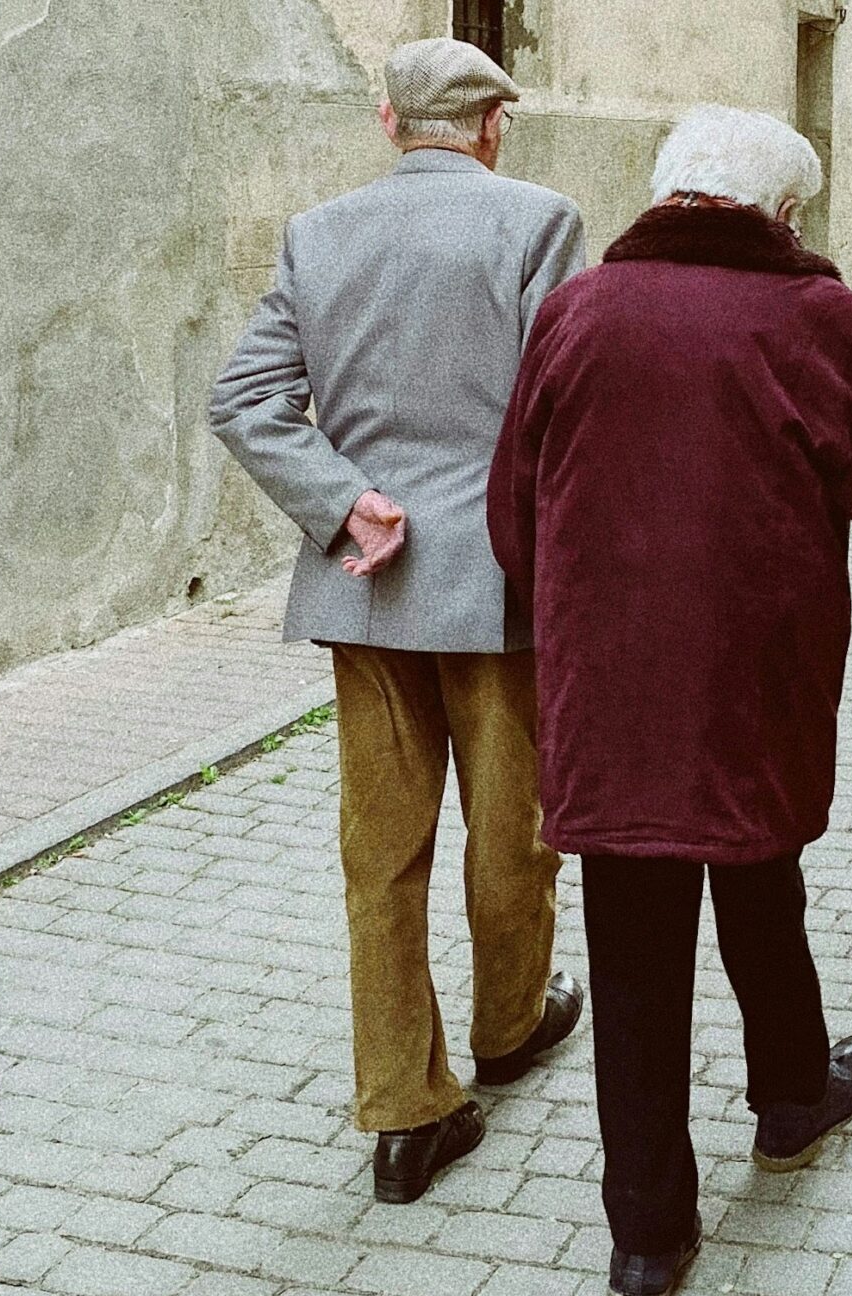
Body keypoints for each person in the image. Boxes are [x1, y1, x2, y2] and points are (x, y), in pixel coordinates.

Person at [488, 105, 852, 1296]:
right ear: (778, 213)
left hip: (607, 686)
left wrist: (565, 610)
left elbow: (513, 506)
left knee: (632, 936)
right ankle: (785, 1100)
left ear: (667, 196)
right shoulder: (816, 317)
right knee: (760, 870)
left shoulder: (577, 312)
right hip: (753, 672)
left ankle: (647, 1242)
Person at [210, 38, 588, 1206]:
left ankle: (402, 1111)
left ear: (386, 122)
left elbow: (242, 402)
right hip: (499, 585)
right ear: (491, 126)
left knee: (379, 853)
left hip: (366, 583)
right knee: (510, 827)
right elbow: (558, 404)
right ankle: (508, 1026)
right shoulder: (540, 221)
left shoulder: (318, 231)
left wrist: (344, 500)